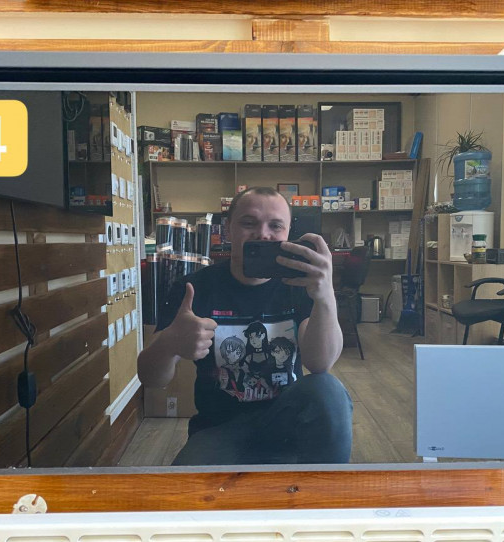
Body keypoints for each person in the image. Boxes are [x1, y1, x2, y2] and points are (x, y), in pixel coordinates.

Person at [137, 186, 352, 465]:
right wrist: (169, 343)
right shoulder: (194, 287)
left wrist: (326, 297)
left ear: (288, 233)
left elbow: (320, 363)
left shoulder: (301, 284)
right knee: (186, 491)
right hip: (218, 428)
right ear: (228, 229)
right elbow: (151, 379)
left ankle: (325, 491)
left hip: (285, 422)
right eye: (249, 223)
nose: (263, 234)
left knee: (328, 389)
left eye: (275, 226)